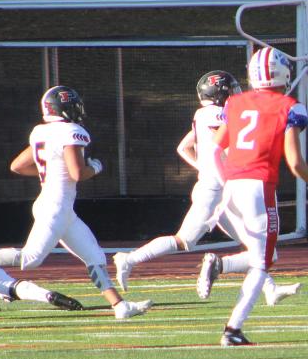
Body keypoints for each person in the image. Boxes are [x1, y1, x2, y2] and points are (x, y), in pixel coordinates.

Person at [113, 70, 298, 305]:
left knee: (256, 246)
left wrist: (204, 167)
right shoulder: (216, 114)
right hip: (216, 192)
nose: (236, 93)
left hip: (218, 188)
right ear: (220, 93)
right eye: (231, 89)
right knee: (184, 241)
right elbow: (219, 145)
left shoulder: (204, 114)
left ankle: (269, 289)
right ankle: (129, 259)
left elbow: (184, 148)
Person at [0, 87, 151, 321]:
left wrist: (55, 172)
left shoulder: (40, 132)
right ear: (65, 108)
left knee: (95, 257)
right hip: (54, 206)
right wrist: (96, 167)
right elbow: (77, 173)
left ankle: (120, 306)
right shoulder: (72, 131)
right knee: (30, 259)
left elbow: (17, 165)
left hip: (59, 208)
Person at [197, 46, 308, 347]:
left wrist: (226, 179)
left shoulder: (235, 103)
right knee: (262, 263)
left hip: (233, 187)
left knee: (260, 258)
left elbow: (215, 149)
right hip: (259, 187)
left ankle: (220, 269)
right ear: (283, 72)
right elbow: (295, 163)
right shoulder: (290, 106)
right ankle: (232, 329)